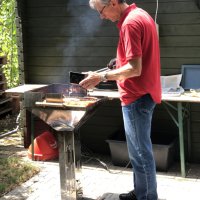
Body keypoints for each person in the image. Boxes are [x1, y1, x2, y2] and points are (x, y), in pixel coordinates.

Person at [79, 0, 161, 200]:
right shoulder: (141, 14)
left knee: (141, 154)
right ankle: (141, 192)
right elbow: (140, 55)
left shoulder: (130, 24)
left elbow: (135, 69)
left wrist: (102, 76)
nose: (102, 16)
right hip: (145, 93)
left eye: (102, 11)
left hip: (137, 97)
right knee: (137, 153)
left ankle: (148, 197)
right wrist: (119, 62)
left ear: (113, 2)